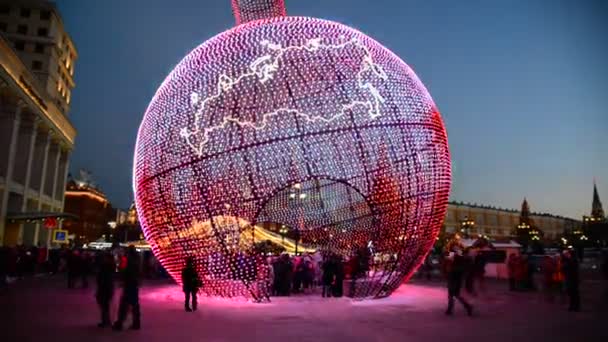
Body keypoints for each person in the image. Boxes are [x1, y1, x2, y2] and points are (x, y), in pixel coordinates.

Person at [113, 245, 141, 330]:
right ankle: (136, 323)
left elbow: (123, 270)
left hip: (129, 283)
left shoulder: (127, 259)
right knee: (135, 304)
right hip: (134, 284)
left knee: (124, 304)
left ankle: (120, 323)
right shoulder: (137, 260)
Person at [445, 246, 473, 316]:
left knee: (453, 293)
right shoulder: (461, 254)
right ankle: (451, 309)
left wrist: (447, 257)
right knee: (455, 294)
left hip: (453, 275)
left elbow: (449, 260)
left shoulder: (453, 253)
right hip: (458, 275)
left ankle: (466, 306)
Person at [96, 252, 115, 327]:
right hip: (108, 287)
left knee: (104, 305)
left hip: (104, 288)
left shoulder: (105, 266)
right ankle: (106, 321)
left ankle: (105, 321)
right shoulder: (111, 265)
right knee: (105, 305)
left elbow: (102, 278)